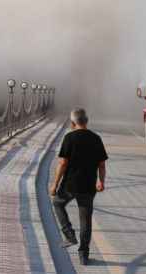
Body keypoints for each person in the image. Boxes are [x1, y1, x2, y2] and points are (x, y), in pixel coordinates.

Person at [50, 108, 108, 266]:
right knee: (86, 220)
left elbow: (63, 163)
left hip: (70, 185)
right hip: (89, 186)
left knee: (57, 203)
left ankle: (69, 235)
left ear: (73, 122)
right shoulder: (96, 138)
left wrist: (54, 184)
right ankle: (83, 255)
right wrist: (101, 182)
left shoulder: (69, 137)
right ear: (86, 120)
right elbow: (102, 165)